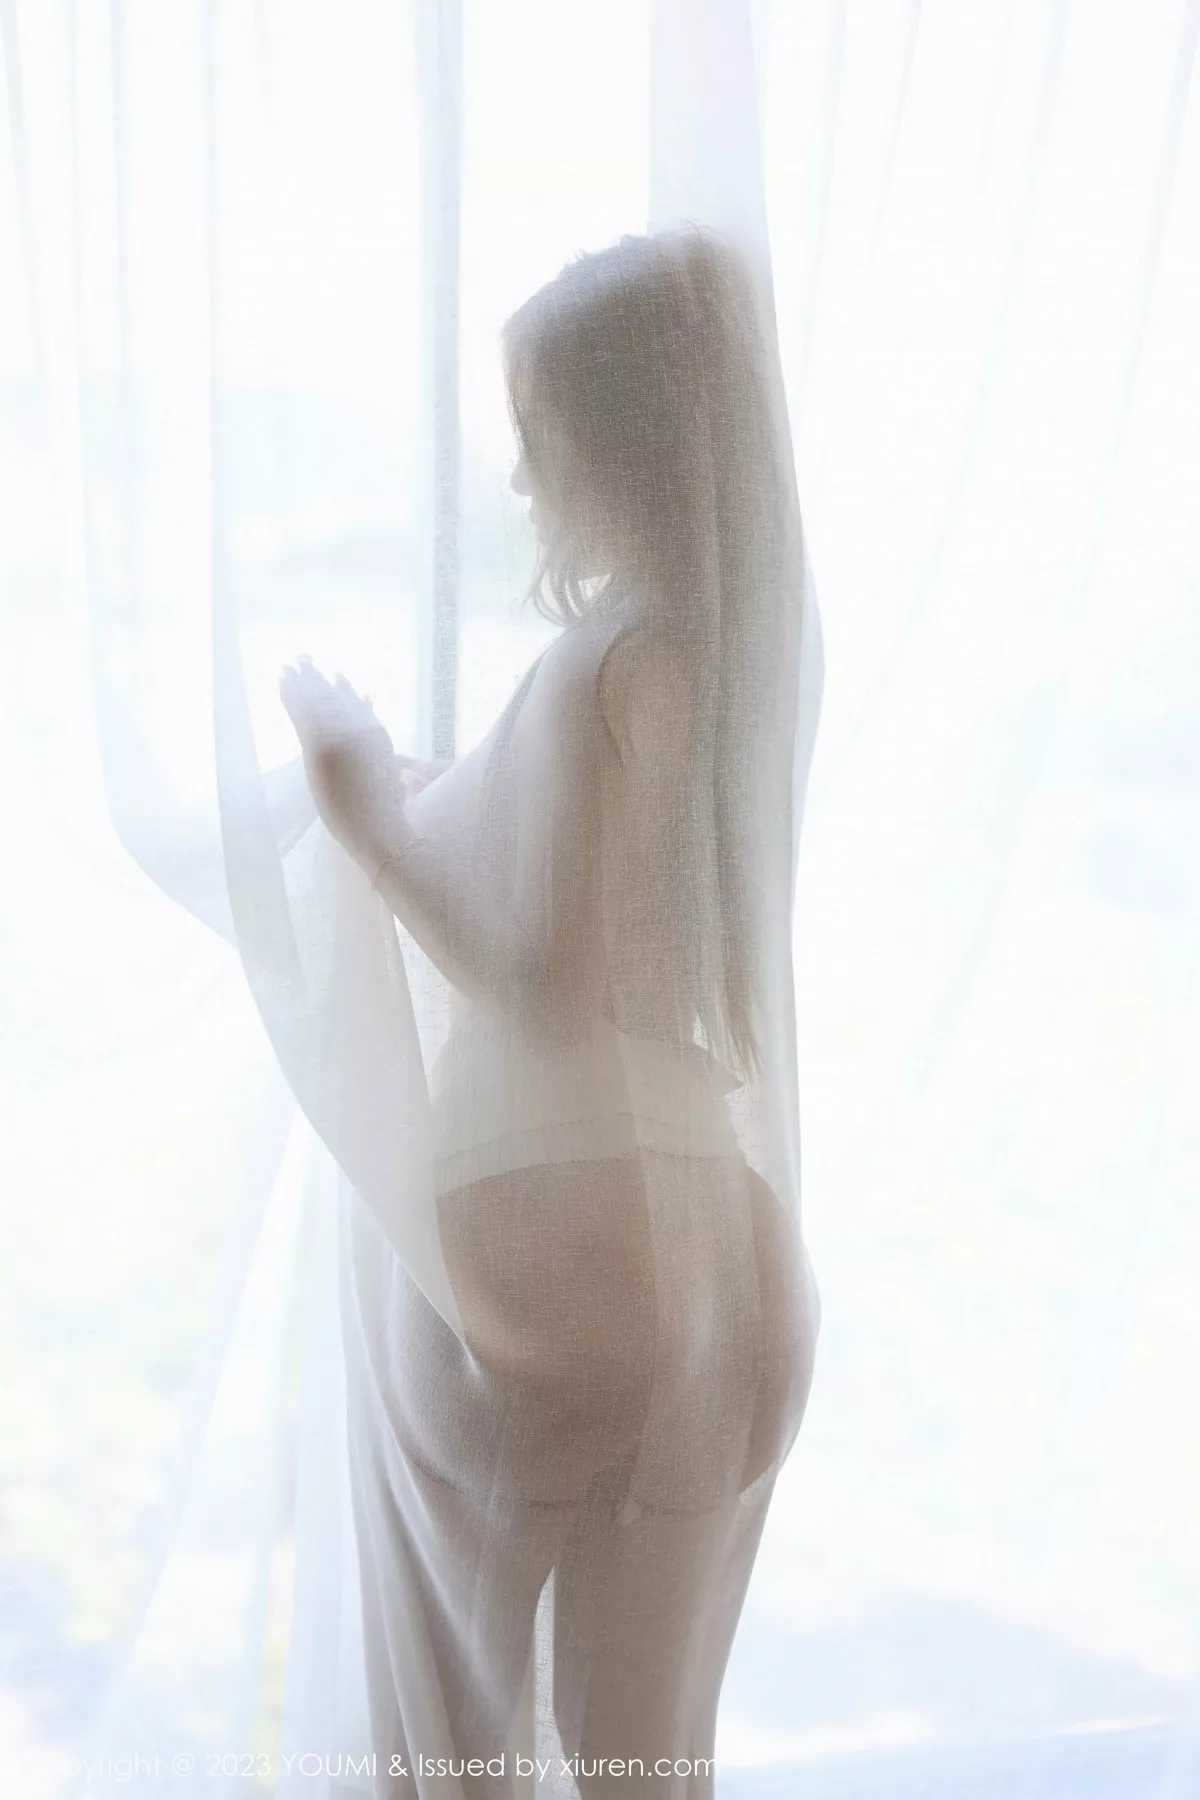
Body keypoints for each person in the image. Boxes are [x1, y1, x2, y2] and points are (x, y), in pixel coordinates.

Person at [279, 227, 822, 1799]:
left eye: (542, 434)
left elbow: (537, 976)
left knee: (457, 1752)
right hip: (730, 1264)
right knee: (645, 1760)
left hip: (554, 1260)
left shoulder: (606, 666)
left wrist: (365, 815)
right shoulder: (733, 663)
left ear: (620, 439)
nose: (524, 478)